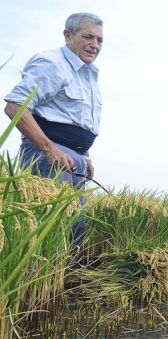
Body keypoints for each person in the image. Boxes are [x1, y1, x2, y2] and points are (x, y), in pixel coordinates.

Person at [4, 12, 104, 253]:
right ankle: (42, 284)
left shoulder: (88, 74)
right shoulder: (52, 63)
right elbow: (15, 106)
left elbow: (74, 119)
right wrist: (49, 149)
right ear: (68, 35)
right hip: (49, 157)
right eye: (88, 37)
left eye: (100, 40)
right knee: (52, 228)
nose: (95, 45)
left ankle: (66, 278)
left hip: (74, 160)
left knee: (74, 224)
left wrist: (85, 154)